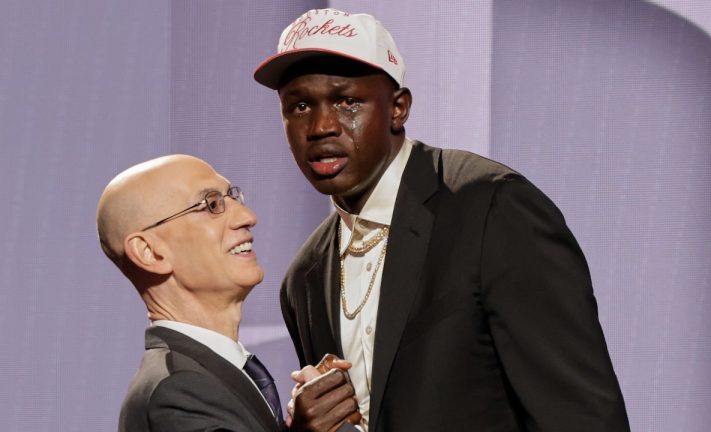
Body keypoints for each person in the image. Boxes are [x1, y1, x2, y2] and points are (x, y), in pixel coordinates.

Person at [253, 8, 631, 432]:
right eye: (299, 106)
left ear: (398, 108)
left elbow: (579, 413)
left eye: (347, 101)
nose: (321, 126)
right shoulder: (306, 276)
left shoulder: (490, 207)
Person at [97, 155, 359, 432]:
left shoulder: (208, 374)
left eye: (232, 197)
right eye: (211, 205)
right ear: (149, 252)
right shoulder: (177, 391)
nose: (248, 217)